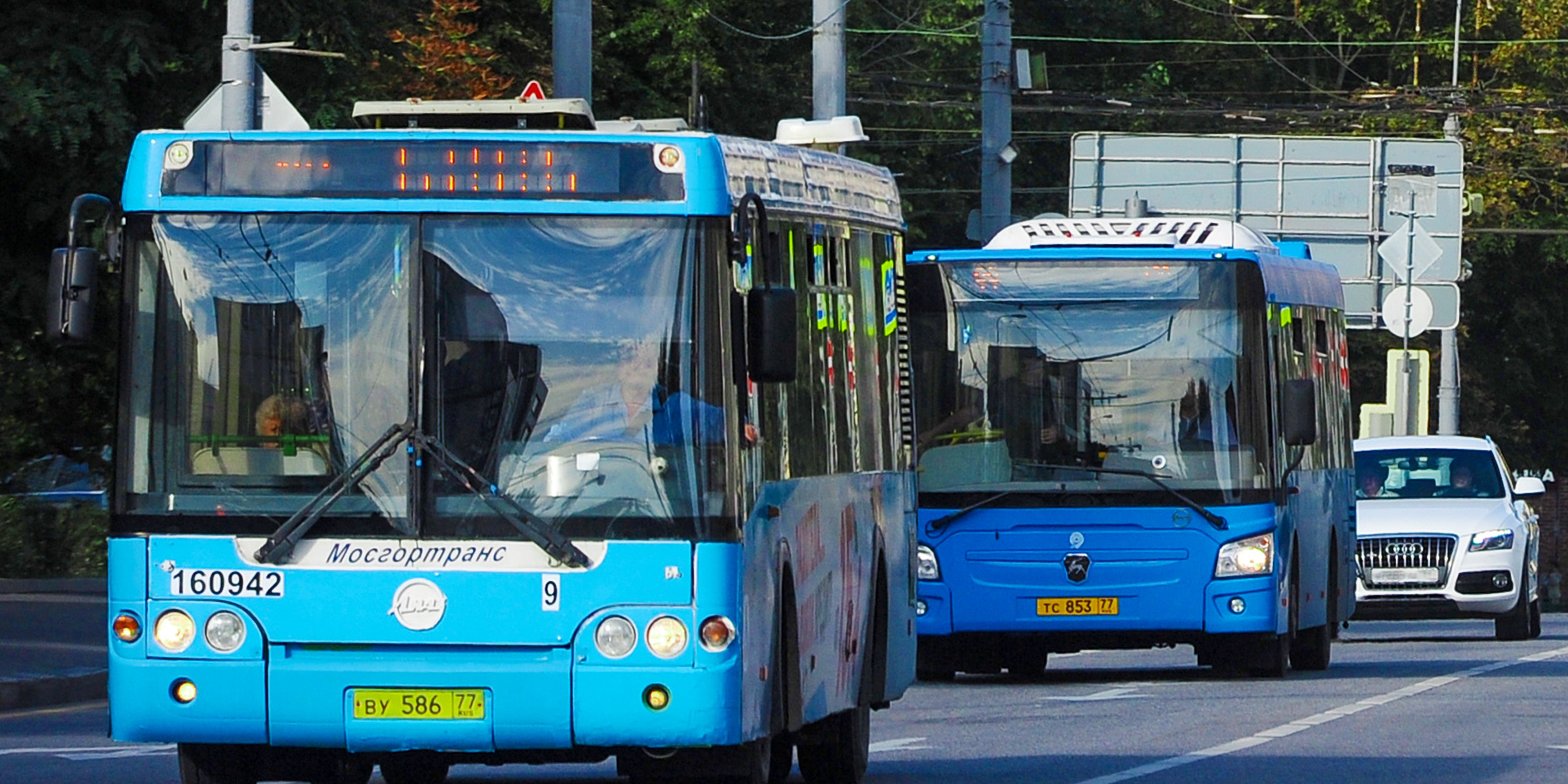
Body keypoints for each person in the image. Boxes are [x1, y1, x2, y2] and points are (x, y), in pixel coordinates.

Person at [542, 340, 753, 447]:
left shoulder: (675, 407)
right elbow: (554, 442)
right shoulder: (592, 402)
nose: (639, 364)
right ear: (618, 366)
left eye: (647, 358)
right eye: (631, 356)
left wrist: (740, 428)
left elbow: (721, 423)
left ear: (656, 365)